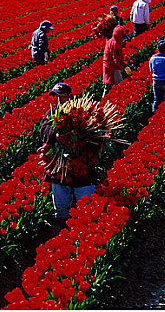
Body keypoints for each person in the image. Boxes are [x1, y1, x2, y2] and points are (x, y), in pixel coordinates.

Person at [39, 83, 97, 227]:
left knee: (85, 205)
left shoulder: (84, 113)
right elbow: (43, 131)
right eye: (55, 97)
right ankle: (61, 231)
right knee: (60, 207)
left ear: (70, 96)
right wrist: (57, 136)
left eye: (61, 96)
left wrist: (81, 143)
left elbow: (97, 137)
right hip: (59, 168)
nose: (58, 100)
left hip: (81, 165)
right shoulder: (51, 113)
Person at [103, 25, 130, 97]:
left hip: (111, 67)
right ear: (118, 36)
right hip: (112, 68)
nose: (124, 40)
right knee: (116, 86)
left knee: (109, 86)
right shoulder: (115, 44)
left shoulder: (113, 41)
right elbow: (117, 59)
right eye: (123, 37)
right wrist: (125, 67)